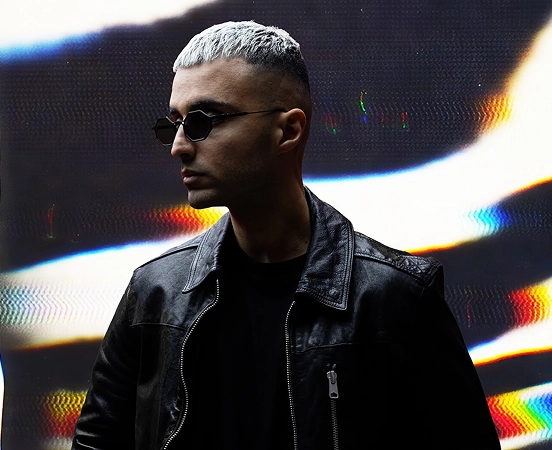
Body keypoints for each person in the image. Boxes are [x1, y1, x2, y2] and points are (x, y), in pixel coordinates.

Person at [72, 21, 501, 449]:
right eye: (175, 124)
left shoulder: (395, 299)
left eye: (202, 121)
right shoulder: (155, 293)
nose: (178, 146)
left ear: (288, 131)